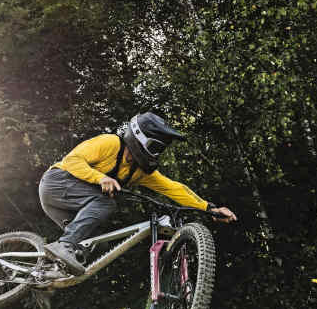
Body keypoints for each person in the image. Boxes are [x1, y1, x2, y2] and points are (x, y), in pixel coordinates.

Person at [39, 112, 237, 274]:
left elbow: (175, 189)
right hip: (56, 183)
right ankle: (63, 245)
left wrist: (210, 209)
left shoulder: (141, 172)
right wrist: (100, 178)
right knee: (105, 204)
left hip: (72, 204)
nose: (157, 154)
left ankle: (45, 276)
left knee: (89, 245)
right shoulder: (110, 143)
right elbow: (72, 160)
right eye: (155, 147)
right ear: (140, 138)